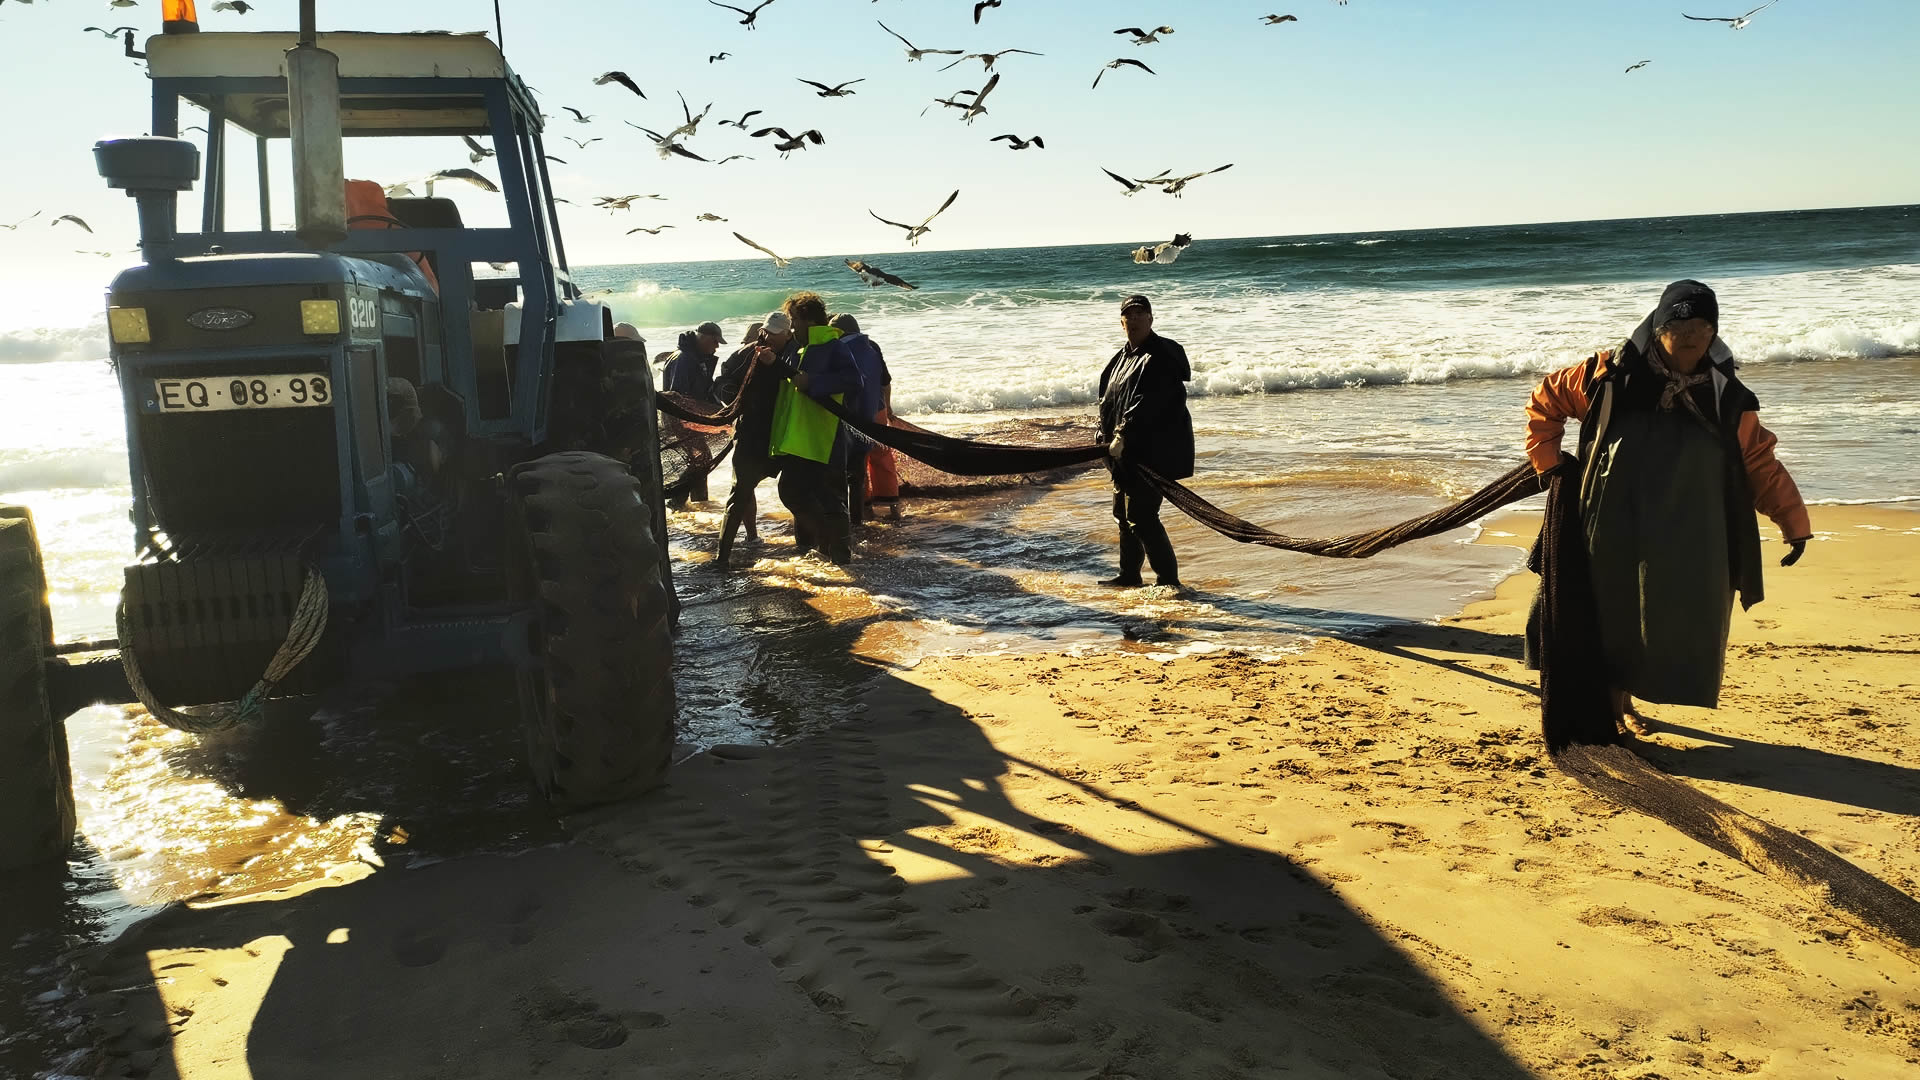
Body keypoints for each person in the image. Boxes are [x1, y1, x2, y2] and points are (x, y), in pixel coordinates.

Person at [1524, 279, 1811, 734]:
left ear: (1714, 333)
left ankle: (1627, 698)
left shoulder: (1726, 396)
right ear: (1658, 328)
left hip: (1687, 528)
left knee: (1668, 617)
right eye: (1679, 322)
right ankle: (1611, 708)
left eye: (1703, 324)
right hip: (1609, 519)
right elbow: (1547, 400)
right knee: (1608, 610)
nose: (1692, 333)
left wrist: (1794, 523)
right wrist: (1550, 463)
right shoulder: (1608, 375)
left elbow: (1758, 461)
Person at [1096, 294, 1194, 589]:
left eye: (1141, 314)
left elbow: (1149, 401)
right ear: (1121, 322)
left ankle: (1168, 581)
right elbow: (1109, 400)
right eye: (1129, 315)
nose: (1134, 319)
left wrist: (1122, 433)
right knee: (1122, 516)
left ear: (1151, 319)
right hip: (1123, 453)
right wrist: (1104, 433)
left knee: (1141, 516)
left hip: (1152, 453)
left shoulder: (1161, 355)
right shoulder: (1121, 357)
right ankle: (1129, 575)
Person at [769, 292, 864, 565]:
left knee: (831, 496)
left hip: (826, 435)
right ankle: (824, 540)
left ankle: (841, 557)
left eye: (795, 320)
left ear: (810, 320)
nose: (792, 326)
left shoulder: (834, 346)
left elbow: (853, 381)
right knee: (790, 490)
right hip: (800, 436)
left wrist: (814, 382)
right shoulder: (800, 348)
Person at [712, 311, 796, 567]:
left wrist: (776, 366)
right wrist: (735, 400)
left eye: (775, 333)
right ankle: (722, 557)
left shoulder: (798, 352)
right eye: (766, 331)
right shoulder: (749, 352)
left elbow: (804, 380)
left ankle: (810, 551)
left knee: (798, 494)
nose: (768, 336)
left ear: (788, 333)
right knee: (739, 494)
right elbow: (721, 380)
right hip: (752, 433)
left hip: (789, 433)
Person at [829, 313, 892, 533]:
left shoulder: (835, 348)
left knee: (852, 466)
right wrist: (889, 408)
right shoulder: (871, 345)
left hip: (849, 415)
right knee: (879, 457)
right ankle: (889, 507)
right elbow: (886, 382)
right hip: (877, 409)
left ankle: (858, 514)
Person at [661, 321, 727, 505]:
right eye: (715, 341)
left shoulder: (695, 357)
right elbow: (678, 395)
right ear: (703, 337)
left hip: (689, 418)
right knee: (702, 458)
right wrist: (688, 420)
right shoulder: (684, 359)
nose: (716, 346)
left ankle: (699, 502)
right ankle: (676, 500)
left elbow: (704, 390)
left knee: (700, 459)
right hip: (679, 418)